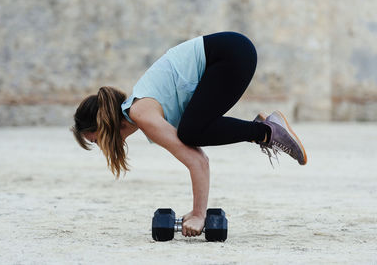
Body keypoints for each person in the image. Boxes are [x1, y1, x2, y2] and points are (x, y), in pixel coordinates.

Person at [71, 31, 307, 238]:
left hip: (230, 54)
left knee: (191, 132)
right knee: (192, 130)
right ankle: (265, 130)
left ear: (101, 126)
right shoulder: (142, 112)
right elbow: (197, 155)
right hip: (233, 52)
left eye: (95, 141)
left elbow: (198, 161)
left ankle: (267, 131)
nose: (101, 147)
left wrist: (198, 215)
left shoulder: (141, 112)